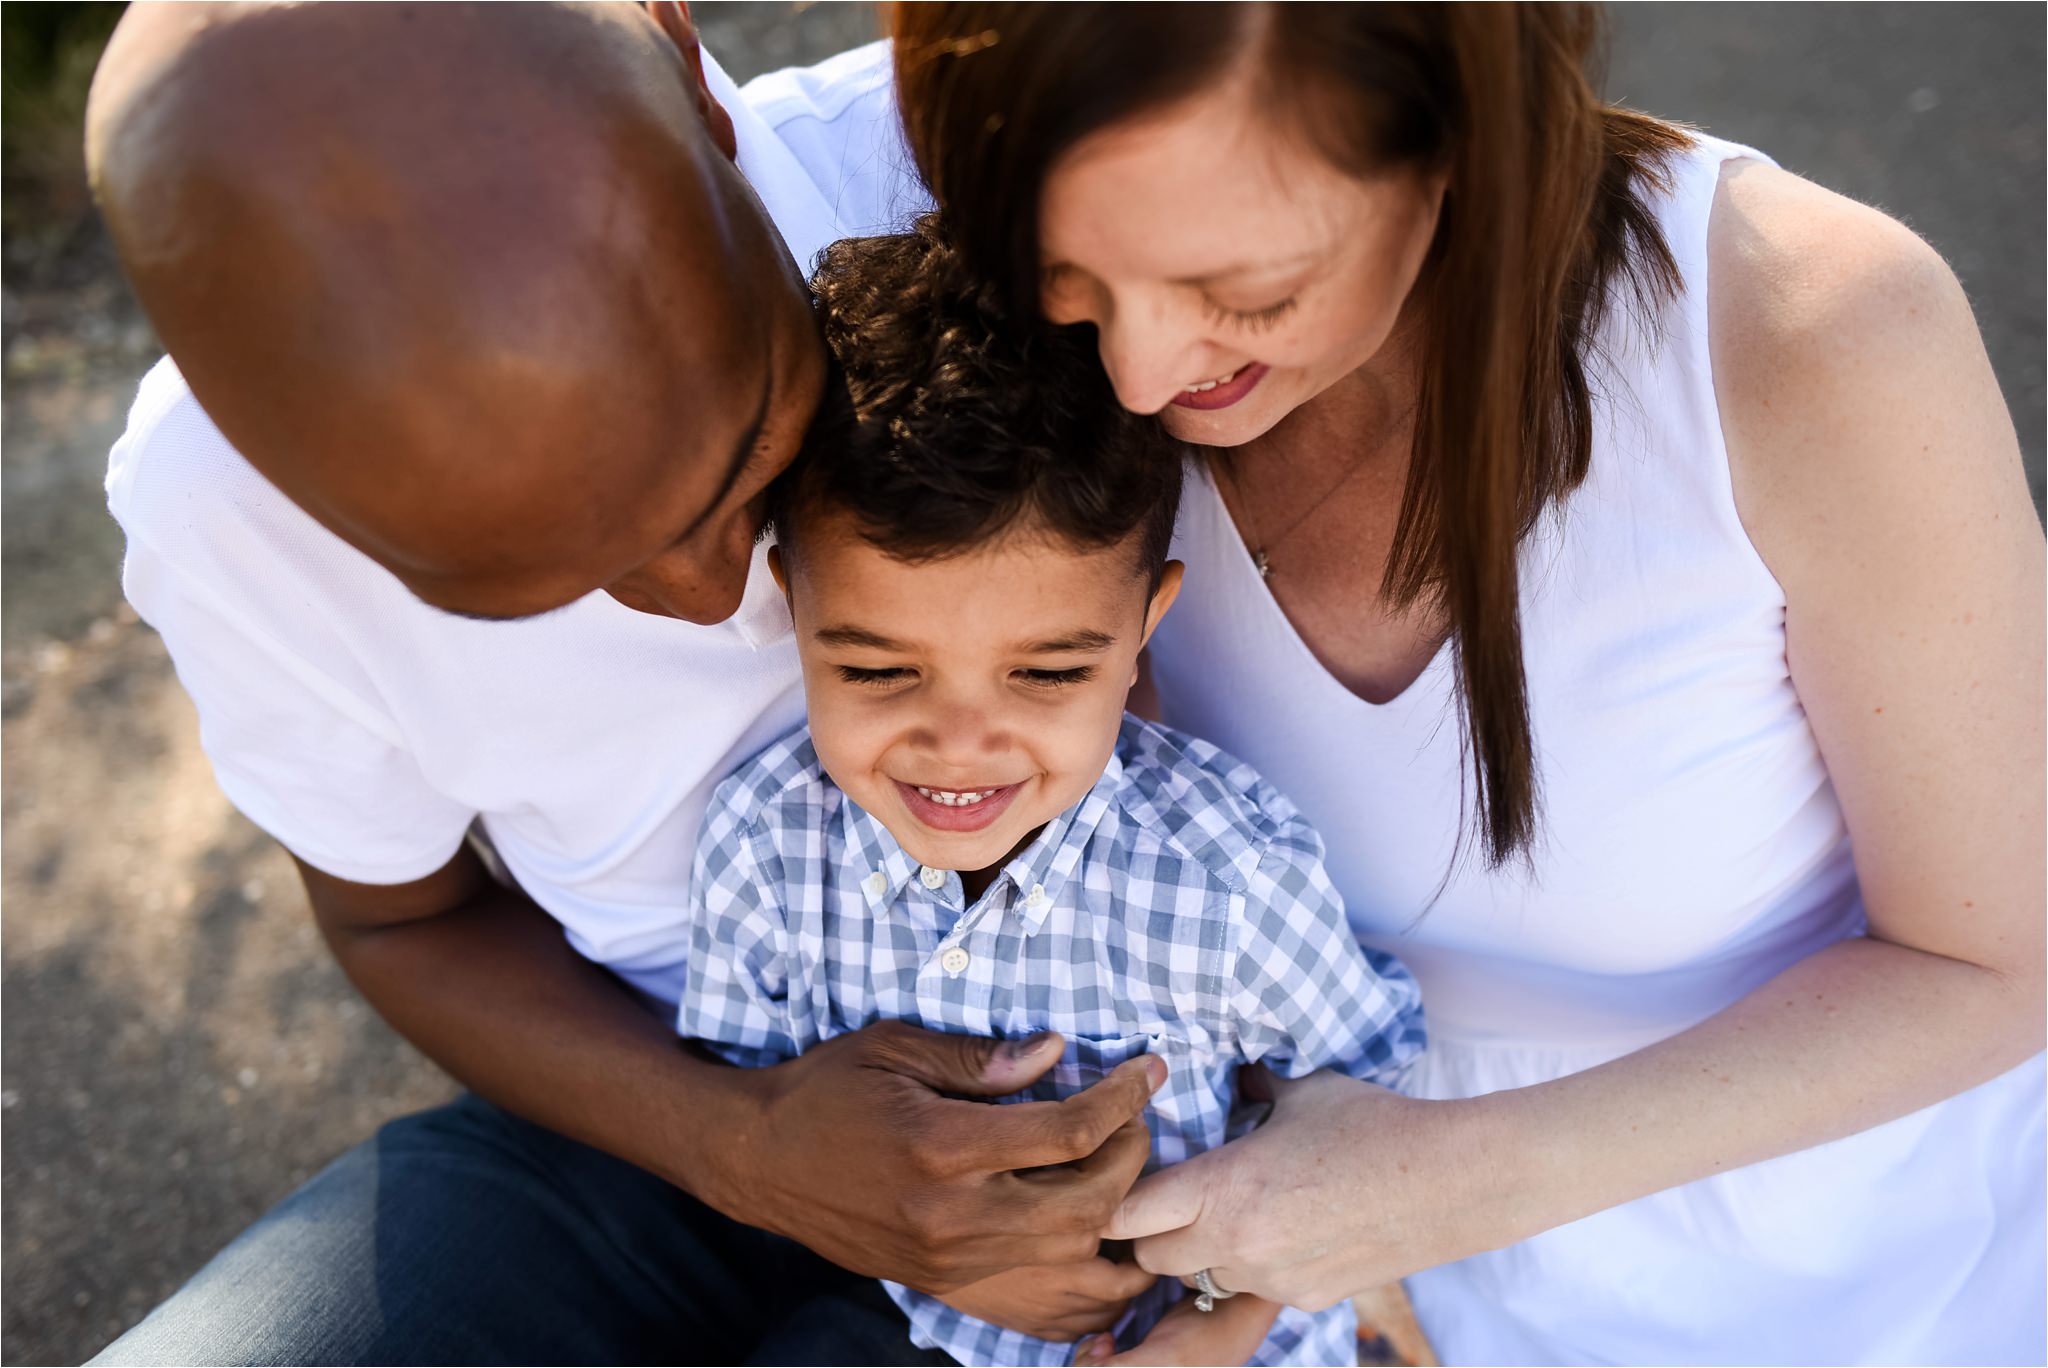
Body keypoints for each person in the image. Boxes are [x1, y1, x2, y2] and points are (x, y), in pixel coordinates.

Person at [889, 3, 2046, 1364]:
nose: (1141, 373)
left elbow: (1998, 963)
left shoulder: (1814, 333)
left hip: (1897, 1292)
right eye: (1068, 278)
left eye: (1246, 293)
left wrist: (1441, 1187)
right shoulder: (1044, 391)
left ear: (1454, 140)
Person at [83, 5, 1160, 1362]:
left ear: (690, 78)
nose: (714, 597)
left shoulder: (999, 178)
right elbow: (400, 922)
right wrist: (742, 1148)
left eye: (746, 449)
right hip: (651, 1121)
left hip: (1104, 1133)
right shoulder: (222, 506)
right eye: (537, 584)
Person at [677, 220, 1427, 1366]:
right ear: (791, 608)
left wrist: (1228, 1324)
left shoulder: (1232, 880)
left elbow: (1360, 1123)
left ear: (1142, 631)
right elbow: (752, 1118)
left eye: (1048, 672)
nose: (961, 745)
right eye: (878, 670)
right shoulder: (762, 852)